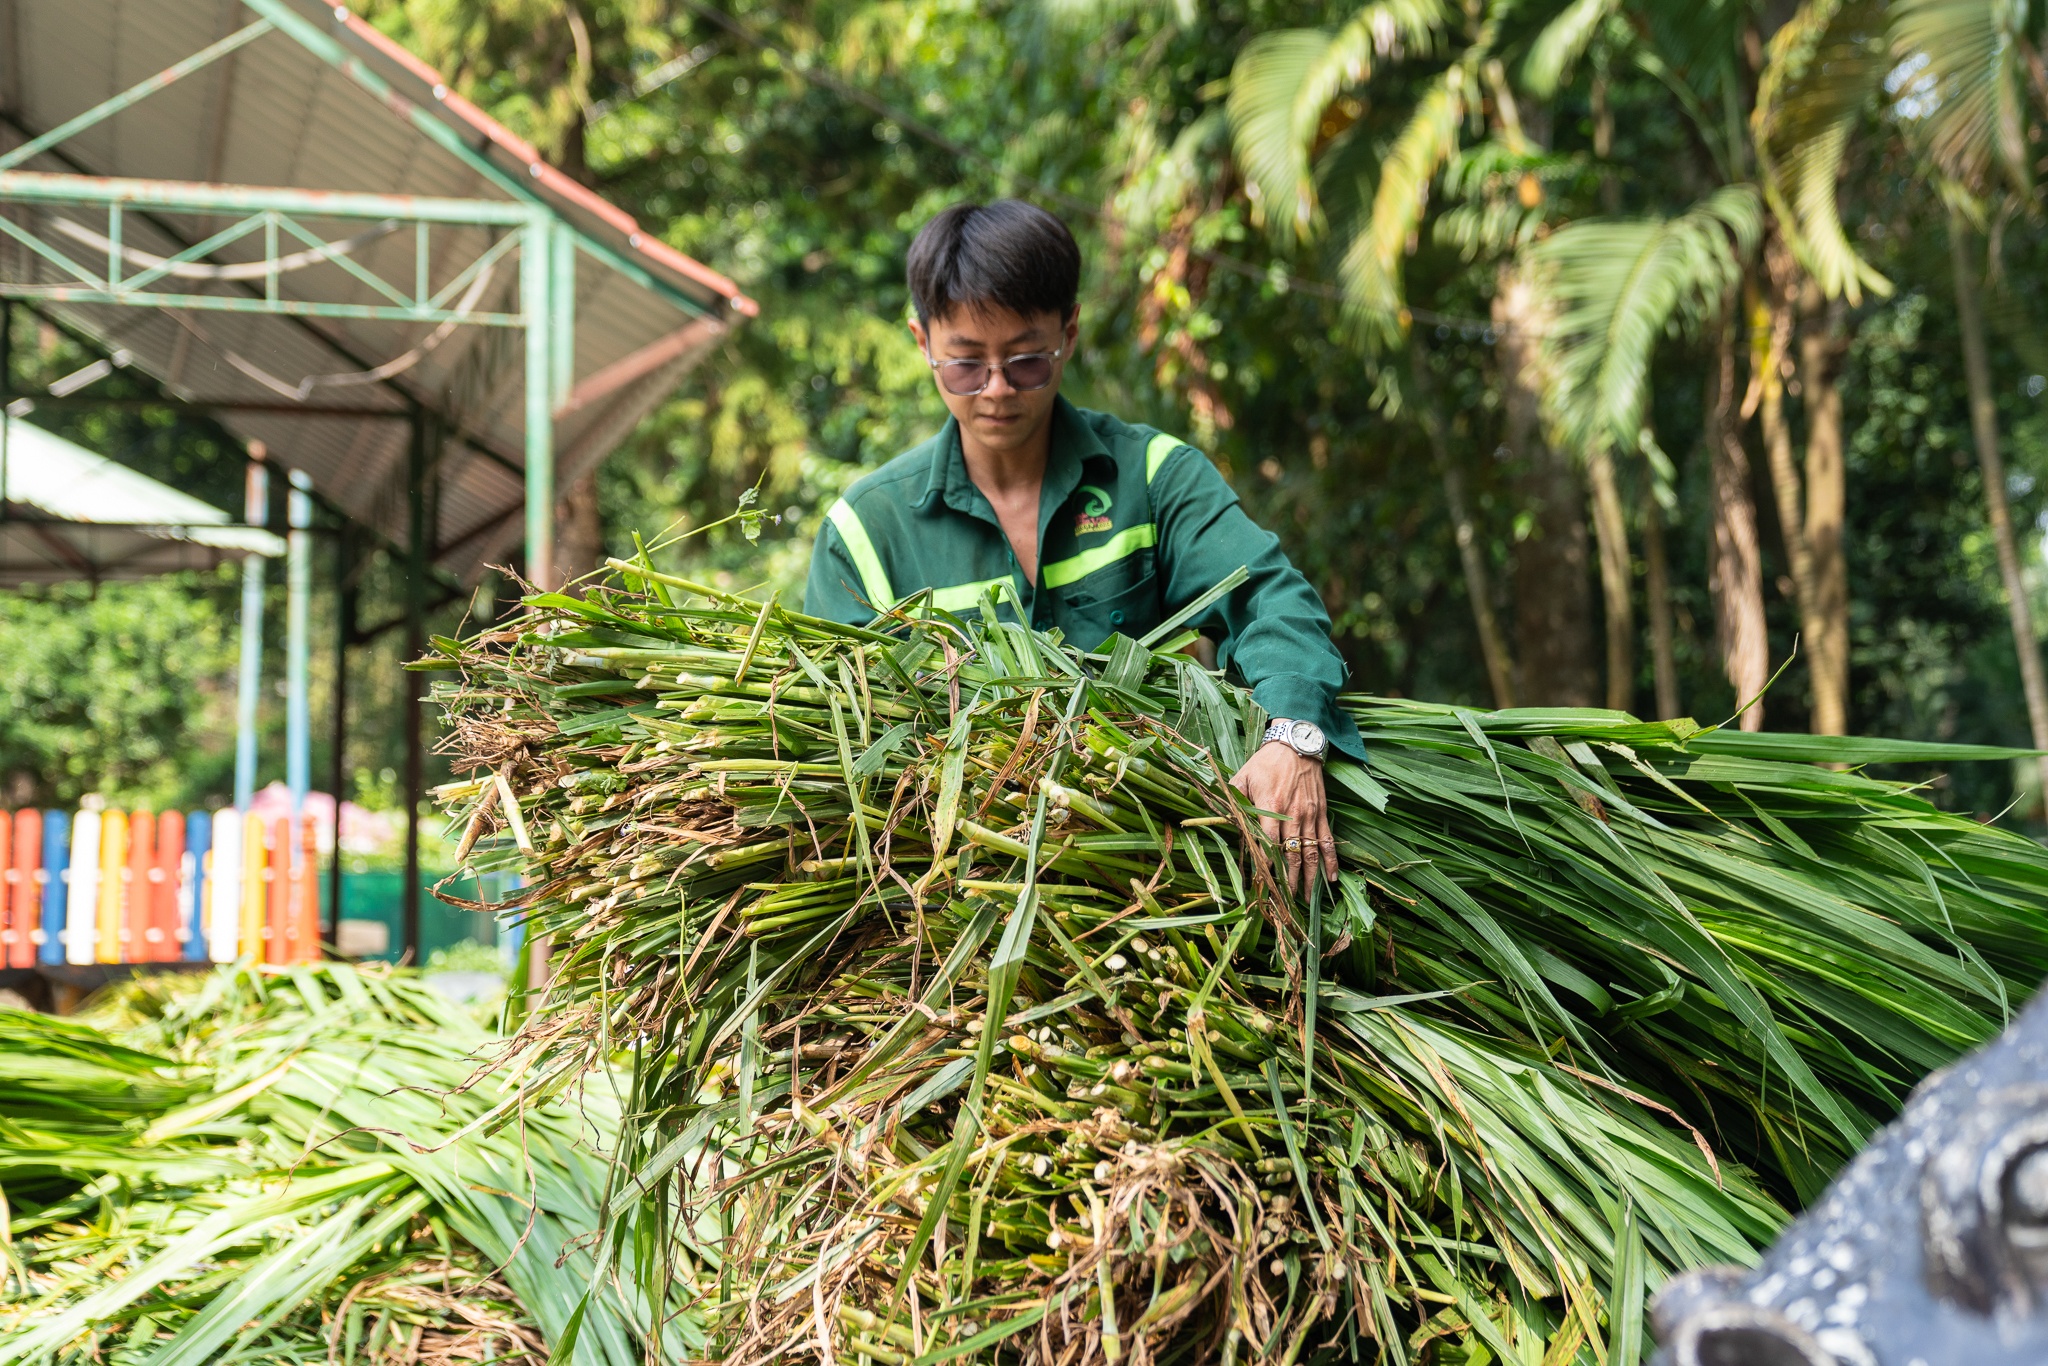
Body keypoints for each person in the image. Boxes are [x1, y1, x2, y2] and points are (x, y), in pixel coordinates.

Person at [804, 199, 1363, 891]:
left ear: (1068, 331)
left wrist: (1293, 737)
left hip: (1168, 870)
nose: (998, 390)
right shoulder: (866, 534)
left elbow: (1270, 599)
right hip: (956, 890)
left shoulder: (1155, 478)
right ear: (923, 342)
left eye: (1027, 361)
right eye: (965, 366)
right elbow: (835, 739)